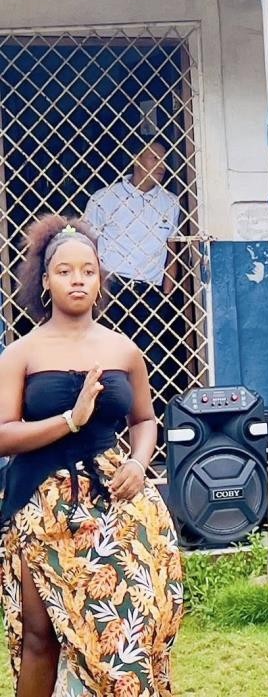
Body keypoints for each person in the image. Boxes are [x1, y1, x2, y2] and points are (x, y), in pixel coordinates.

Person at [0, 215, 183, 695]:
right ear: (44, 281)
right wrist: (69, 420)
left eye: (88, 270)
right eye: (64, 271)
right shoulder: (21, 354)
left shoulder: (123, 350)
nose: (77, 279)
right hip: (41, 505)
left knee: (130, 629)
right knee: (42, 638)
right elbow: (2, 435)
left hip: (113, 502)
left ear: (100, 280)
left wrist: (139, 463)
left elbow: (145, 421)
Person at [84, 137, 182, 410]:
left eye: (164, 159)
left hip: (150, 292)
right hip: (112, 289)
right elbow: (86, 245)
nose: (161, 165)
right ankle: (108, 422)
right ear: (137, 159)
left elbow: (171, 247)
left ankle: (150, 422)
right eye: (154, 157)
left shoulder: (170, 203)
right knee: (107, 358)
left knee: (151, 358)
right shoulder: (105, 198)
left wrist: (167, 289)